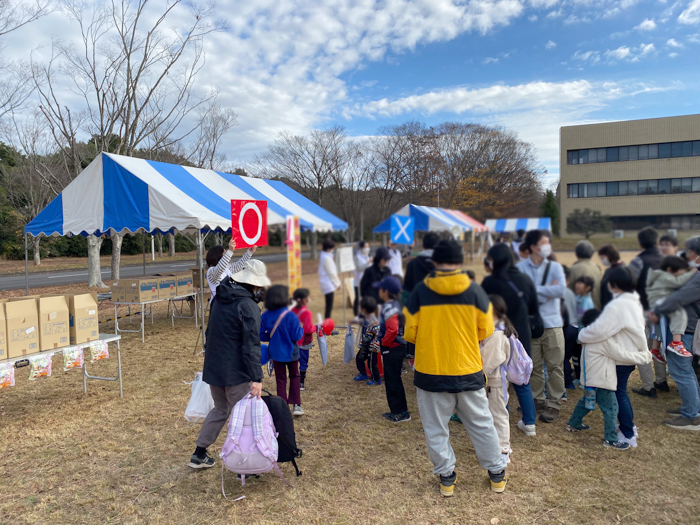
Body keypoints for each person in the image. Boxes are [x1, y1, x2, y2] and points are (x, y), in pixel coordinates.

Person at [405, 239, 508, 496]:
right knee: (482, 424)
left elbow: (410, 333)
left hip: (431, 370)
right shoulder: (475, 291)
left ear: (435, 262)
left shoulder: (420, 291)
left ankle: (446, 478)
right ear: (460, 262)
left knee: (435, 428)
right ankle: (497, 474)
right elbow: (486, 329)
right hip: (467, 368)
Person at [190, 259, 270, 469]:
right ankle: (244, 463)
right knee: (243, 417)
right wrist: (257, 378)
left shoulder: (219, 298)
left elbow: (210, 333)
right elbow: (251, 345)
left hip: (214, 367)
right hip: (236, 372)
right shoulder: (248, 306)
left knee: (220, 409)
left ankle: (199, 453)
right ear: (254, 284)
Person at [576, 265, 652, 447]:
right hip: (628, 354)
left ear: (612, 284)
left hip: (620, 356)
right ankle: (628, 428)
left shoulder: (618, 306)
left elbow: (600, 330)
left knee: (618, 394)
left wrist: (582, 334)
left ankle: (627, 433)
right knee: (621, 393)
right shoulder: (632, 302)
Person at [567, 307, 650, 450]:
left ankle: (573, 423)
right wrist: (644, 357)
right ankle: (610, 439)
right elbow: (620, 354)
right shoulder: (603, 340)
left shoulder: (587, 337)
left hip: (590, 380)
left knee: (586, 402)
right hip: (602, 381)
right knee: (611, 409)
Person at [481, 242, 540, 437]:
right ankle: (529, 423)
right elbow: (533, 308)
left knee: (498, 382)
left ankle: (500, 421)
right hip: (520, 335)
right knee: (522, 379)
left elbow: (481, 309)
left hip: (496, 335)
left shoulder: (490, 282)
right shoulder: (525, 279)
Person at [649, 236, 700, 430]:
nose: (686, 255)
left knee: (682, 371)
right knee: (686, 371)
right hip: (683, 328)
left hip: (684, 330)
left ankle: (691, 416)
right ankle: (691, 407)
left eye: (690, 251)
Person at [516, 230, 567, 423]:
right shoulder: (520, 268)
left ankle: (554, 403)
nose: (547, 246)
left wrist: (533, 290)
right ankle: (537, 399)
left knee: (555, 366)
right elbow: (518, 293)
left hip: (553, 324)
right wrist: (546, 290)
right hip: (530, 325)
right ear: (532, 247)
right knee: (533, 365)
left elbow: (560, 290)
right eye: (543, 243)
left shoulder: (555, 267)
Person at [628, 227, 665, 399]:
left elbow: (628, 285)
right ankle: (661, 380)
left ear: (640, 243)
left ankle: (648, 386)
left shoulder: (638, 261)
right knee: (657, 345)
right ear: (657, 242)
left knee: (641, 347)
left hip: (642, 310)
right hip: (662, 310)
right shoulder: (666, 260)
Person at [261, 285, 305, 416]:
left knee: (280, 379)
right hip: (292, 352)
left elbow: (260, 334)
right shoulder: (291, 315)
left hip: (276, 352)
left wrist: (272, 337)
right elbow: (296, 336)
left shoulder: (265, 315)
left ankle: (282, 407)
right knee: (295, 376)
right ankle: (296, 405)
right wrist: (301, 328)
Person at [482, 295, 514, 462]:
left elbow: (488, 361)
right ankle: (500, 445)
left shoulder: (497, 335)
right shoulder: (500, 328)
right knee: (498, 413)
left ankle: (503, 450)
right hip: (497, 380)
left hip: (495, 381)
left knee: (498, 415)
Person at [373, 276, 409, 421]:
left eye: (380, 289)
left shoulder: (390, 307)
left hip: (393, 347)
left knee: (393, 379)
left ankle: (401, 412)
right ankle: (396, 410)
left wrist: (385, 343)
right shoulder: (394, 304)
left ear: (386, 291)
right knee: (392, 378)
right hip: (395, 346)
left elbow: (392, 329)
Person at [646, 256, 696, 361]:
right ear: (669, 270)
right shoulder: (665, 276)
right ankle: (676, 343)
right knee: (680, 312)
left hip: (655, 302)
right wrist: (691, 272)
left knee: (659, 324)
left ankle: (655, 349)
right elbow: (678, 282)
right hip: (661, 301)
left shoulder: (657, 275)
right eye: (681, 271)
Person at [205, 238, 257, 303]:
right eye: (224, 253)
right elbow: (220, 268)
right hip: (219, 304)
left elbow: (239, 265)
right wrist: (230, 251)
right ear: (218, 256)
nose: (226, 254)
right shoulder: (211, 271)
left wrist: (249, 252)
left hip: (229, 302)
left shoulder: (227, 268)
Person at [402, 232, 439, 305]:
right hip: (438, 307)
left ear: (422, 246)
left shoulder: (412, 264)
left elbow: (406, 293)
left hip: (417, 306)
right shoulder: (442, 264)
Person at [352, 296, 381, 385]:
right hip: (365, 345)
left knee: (372, 364)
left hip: (372, 348)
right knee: (359, 358)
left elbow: (379, 335)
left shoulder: (374, 321)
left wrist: (376, 347)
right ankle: (363, 374)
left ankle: (376, 379)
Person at [291, 288, 315, 391]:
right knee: (303, 362)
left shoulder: (292, 311)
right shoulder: (307, 313)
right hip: (304, 342)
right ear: (304, 299)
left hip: (293, 341)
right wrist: (315, 327)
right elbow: (308, 329)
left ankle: (294, 380)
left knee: (294, 361)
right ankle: (301, 382)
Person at [562, 266, 581, 389]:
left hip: (566, 327)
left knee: (562, 357)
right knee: (570, 356)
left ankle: (568, 381)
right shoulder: (571, 293)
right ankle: (575, 378)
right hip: (576, 327)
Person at [568, 240, 602, 309]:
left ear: (576, 254)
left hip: (579, 309)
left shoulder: (572, 270)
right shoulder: (597, 269)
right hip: (596, 308)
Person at [318, 238, 341, 320]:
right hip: (327, 283)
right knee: (329, 306)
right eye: (332, 248)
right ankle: (327, 323)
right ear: (328, 249)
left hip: (327, 282)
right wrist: (337, 283)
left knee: (329, 306)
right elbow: (331, 272)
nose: (333, 250)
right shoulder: (326, 258)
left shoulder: (325, 255)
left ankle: (327, 322)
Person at [598, 245, 624, 309]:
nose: (601, 260)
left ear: (610, 255)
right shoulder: (608, 270)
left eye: (603, 257)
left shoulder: (622, 271)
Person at [353, 241, 372, 316]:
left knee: (366, 298)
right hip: (359, 281)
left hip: (367, 280)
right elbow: (359, 268)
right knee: (358, 298)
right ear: (361, 248)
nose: (367, 248)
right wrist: (367, 263)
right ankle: (356, 314)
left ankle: (365, 313)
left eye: (368, 246)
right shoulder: (357, 257)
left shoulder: (369, 256)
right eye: (365, 247)